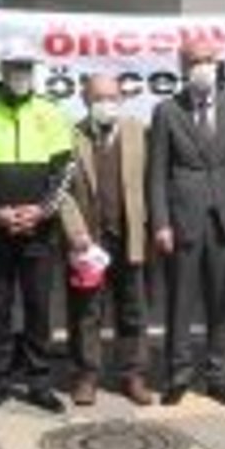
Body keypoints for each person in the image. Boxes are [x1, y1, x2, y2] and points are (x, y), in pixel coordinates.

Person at [0, 38, 75, 418]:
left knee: (39, 309)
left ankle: (40, 382)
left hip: (39, 230)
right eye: (14, 66)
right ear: (2, 70)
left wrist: (41, 211)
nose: (20, 73)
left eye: (27, 66)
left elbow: (64, 170)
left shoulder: (51, 111)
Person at [147, 41, 225, 407]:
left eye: (209, 60)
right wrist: (161, 222)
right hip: (182, 220)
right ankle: (178, 374)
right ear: (182, 68)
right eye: (195, 61)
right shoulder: (166, 111)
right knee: (180, 301)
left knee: (221, 302)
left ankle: (218, 375)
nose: (203, 67)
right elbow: (156, 173)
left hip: (224, 218)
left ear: (219, 65)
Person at [59, 74, 151, 407]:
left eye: (112, 97)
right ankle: (86, 375)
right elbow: (61, 190)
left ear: (122, 100)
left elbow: (152, 182)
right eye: (98, 98)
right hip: (88, 241)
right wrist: (76, 232)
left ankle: (133, 375)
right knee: (86, 312)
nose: (106, 104)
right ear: (85, 100)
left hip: (130, 237)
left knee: (134, 310)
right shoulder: (70, 135)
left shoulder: (139, 131)